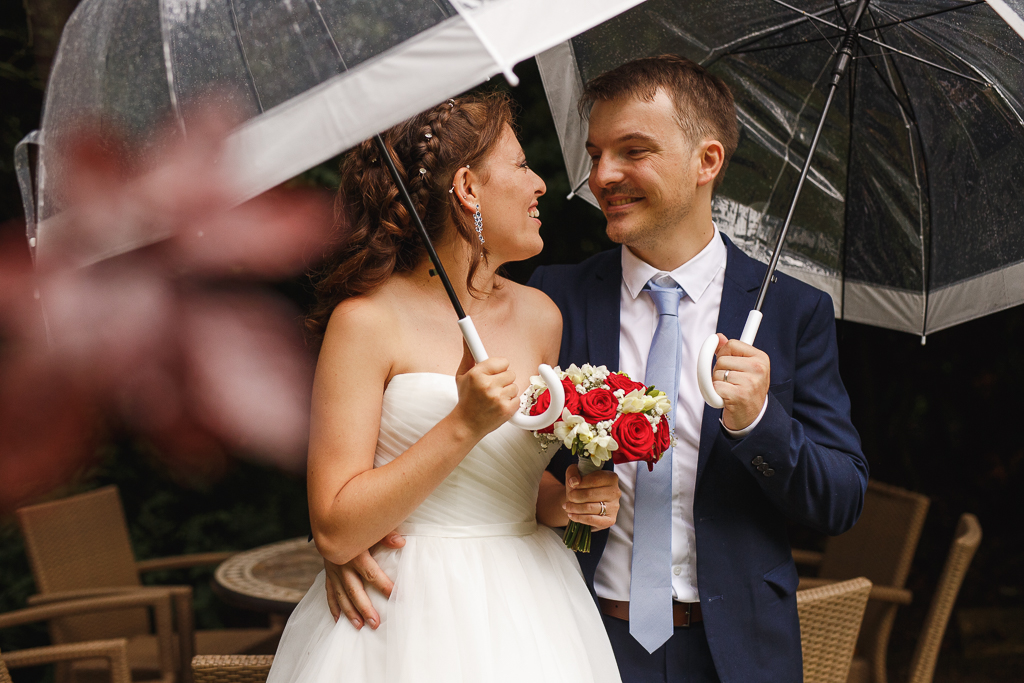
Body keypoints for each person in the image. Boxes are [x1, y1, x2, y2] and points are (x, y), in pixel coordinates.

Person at [526, 56, 869, 682]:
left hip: (738, 653)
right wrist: (560, 494)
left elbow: (841, 499)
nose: (604, 175)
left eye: (634, 151)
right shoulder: (552, 299)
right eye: (596, 152)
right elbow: (496, 465)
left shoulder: (792, 312)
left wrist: (759, 422)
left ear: (707, 161)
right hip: (580, 637)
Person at [266, 92, 624, 683]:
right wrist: (463, 423)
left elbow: (508, 479)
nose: (540, 185)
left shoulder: (541, 316)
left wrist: (571, 504)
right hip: (403, 616)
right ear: (467, 187)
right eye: (520, 164)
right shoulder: (366, 322)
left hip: (533, 608)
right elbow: (334, 527)